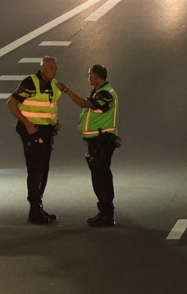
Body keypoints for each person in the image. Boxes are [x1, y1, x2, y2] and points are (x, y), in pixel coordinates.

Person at [57, 64, 119, 227]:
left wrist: (67, 90)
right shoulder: (99, 91)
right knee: (98, 176)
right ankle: (104, 211)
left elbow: (85, 104)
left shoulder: (105, 93)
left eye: (90, 75)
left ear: (96, 76)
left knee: (102, 177)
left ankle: (107, 213)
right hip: (97, 141)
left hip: (102, 141)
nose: (88, 78)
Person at [7, 57, 62, 224]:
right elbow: (11, 104)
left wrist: (54, 123)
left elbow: (49, 108)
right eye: (51, 68)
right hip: (32, 132)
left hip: (46, 131)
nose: (54, 71)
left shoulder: (53, 85)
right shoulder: (30, 82)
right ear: (42, 68)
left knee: (43, 170)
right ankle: (34, 210)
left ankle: (38, 207)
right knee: (35, 170)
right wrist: (27, 124)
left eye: (55, 68)